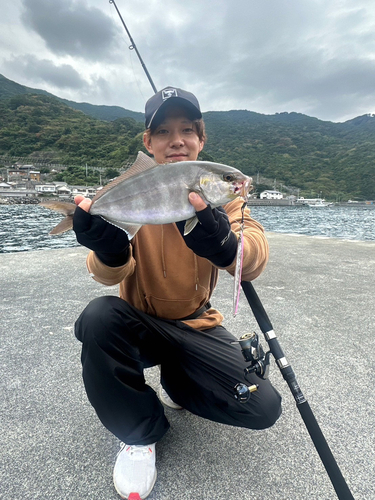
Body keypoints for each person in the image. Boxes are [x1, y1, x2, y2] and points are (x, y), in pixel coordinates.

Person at [73, 86, 282, 500]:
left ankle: (179, 381)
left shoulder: (225, 201)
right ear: (148, 143)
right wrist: (109, 247)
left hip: (196, 324)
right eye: (164, 132)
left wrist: (226, 245)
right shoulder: (126, 191)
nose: (177, 140)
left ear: (202, 140)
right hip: (139, 324)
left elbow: (253, 257)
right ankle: (138, 432)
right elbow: (104, 273)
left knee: (261, 407)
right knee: (99, 317)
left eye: (188, 129)